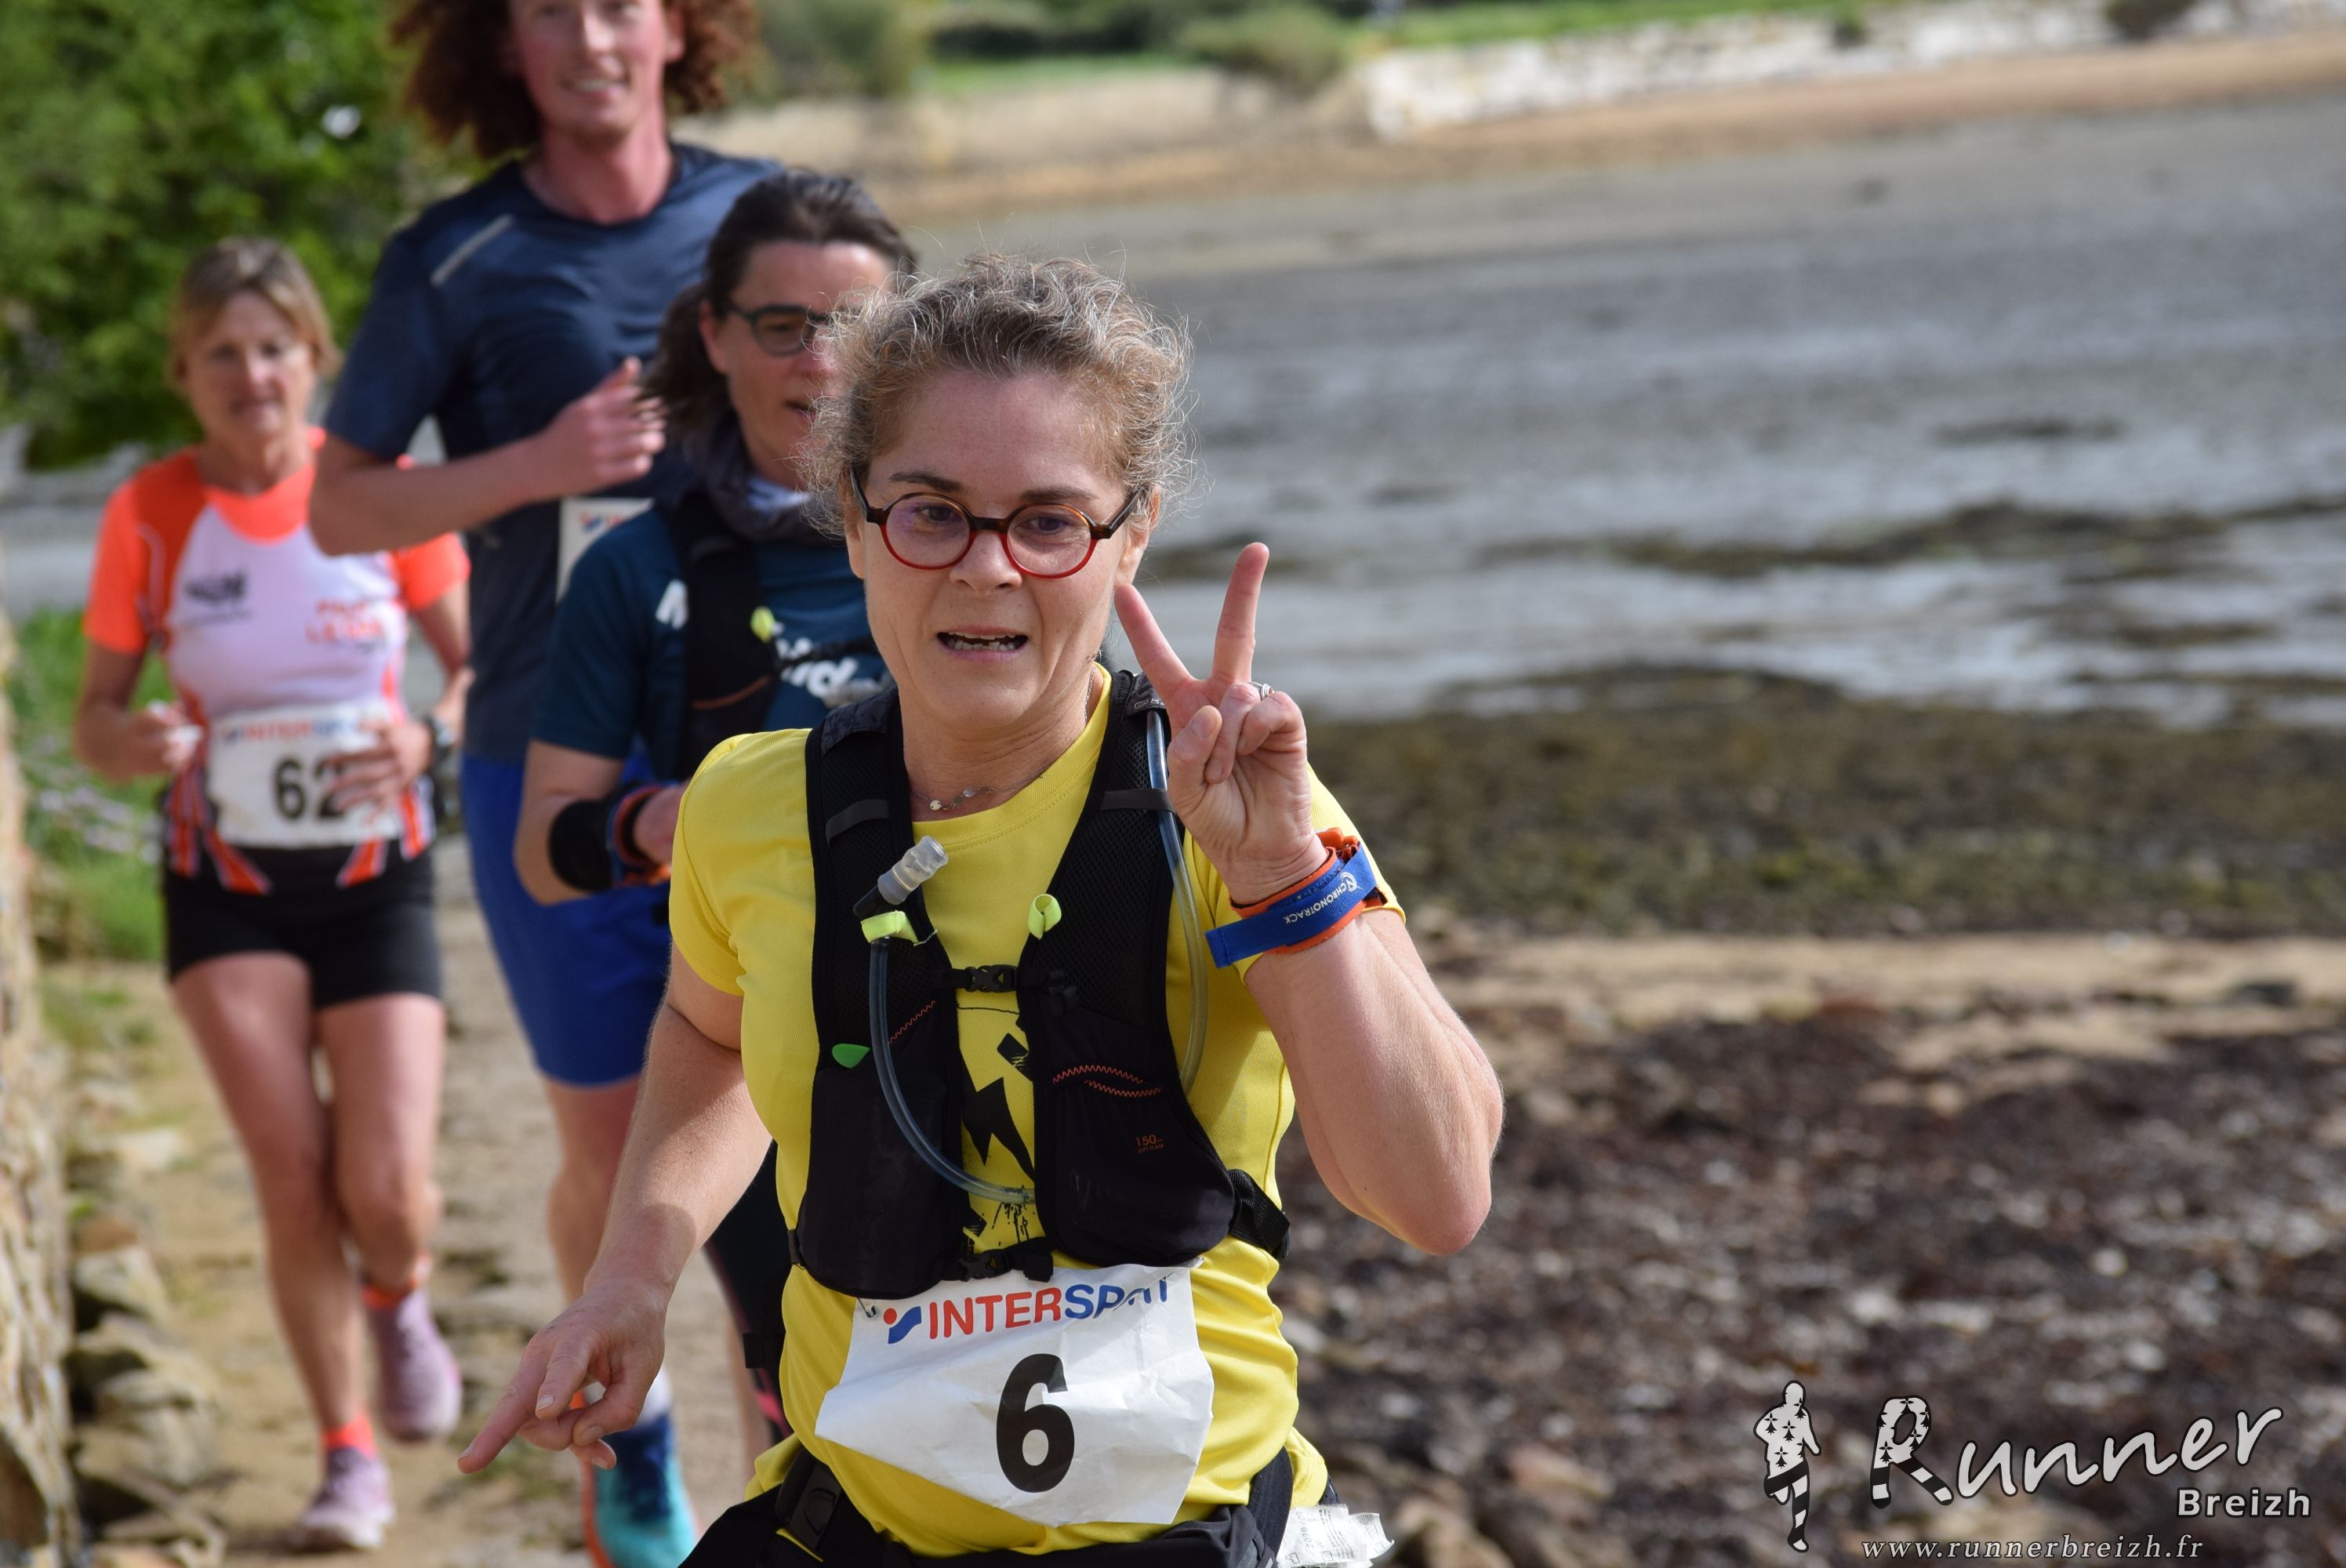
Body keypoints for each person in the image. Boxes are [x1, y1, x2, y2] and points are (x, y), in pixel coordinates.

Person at [458, 256, 1505, 1566]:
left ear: (1131, 536)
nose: (989, 569)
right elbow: (711, 1036)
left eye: (1050, 521)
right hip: (854, 1534)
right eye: (933, 513)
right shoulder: (749, 808)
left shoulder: (1241, 813)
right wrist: (631, 1276)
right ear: (854, 522)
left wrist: (1283, 874)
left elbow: (1436, 1197)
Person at [311, 0, 769, 1557]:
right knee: (611, 1143)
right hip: (547, 750)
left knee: (781, 1133)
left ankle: (792, 1476)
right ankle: (633, 1442)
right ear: (502, 46)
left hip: (758, 738)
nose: (588, 34)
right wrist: (538, 466)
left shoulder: (763, 219)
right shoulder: (455, 258)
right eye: (548, 8)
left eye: (618, 0)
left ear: (676, 26)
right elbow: (340, 508)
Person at [73, 238, 471, 1553]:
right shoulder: (152, 512)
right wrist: (131, 741)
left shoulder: (383, 493)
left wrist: (426, 735)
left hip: (376, 876)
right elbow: (93, 720)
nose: (251, 374)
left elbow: (480, 674)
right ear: (184, 372)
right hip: (224, 884)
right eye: (222, 352)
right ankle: (347, 1457)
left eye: (274, 347)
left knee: (388, 1187)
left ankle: (399, 1296)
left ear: (315, 360)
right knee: (293, 1176)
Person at [513, 169, 914, 1461]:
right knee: (808, 1403)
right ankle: (658, 1462)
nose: (820, 360)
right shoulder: (635, 567)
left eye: (854, 325)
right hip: (759, 1035)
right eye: (783, 325)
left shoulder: (962, 536)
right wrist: (653, 825)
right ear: (716, 336)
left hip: (965, 1009)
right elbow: (545, 850)